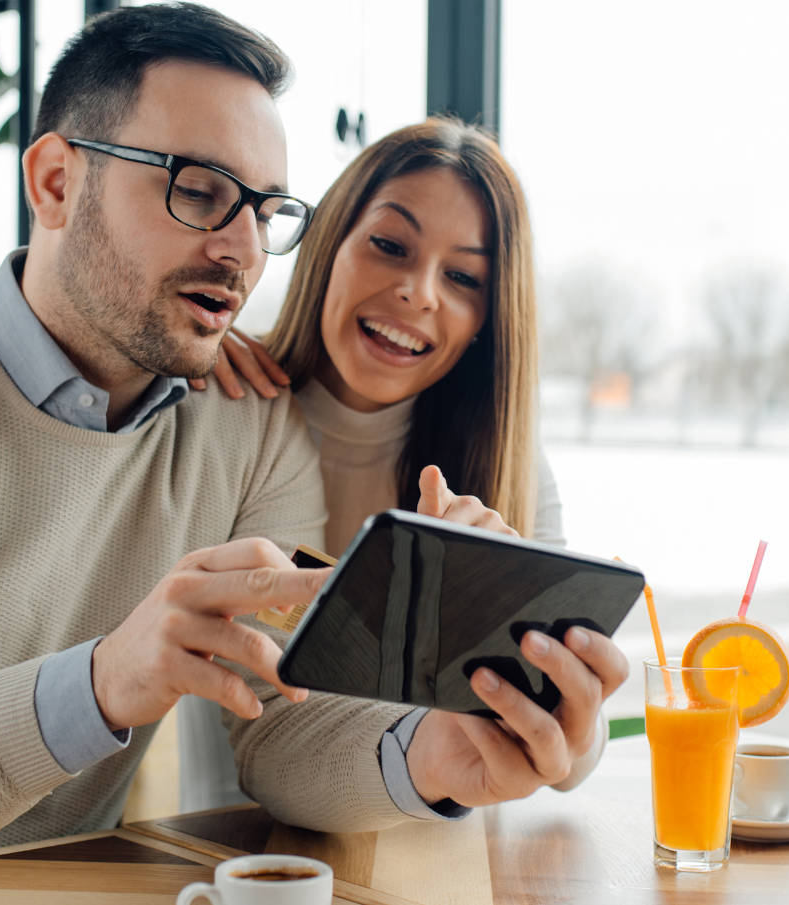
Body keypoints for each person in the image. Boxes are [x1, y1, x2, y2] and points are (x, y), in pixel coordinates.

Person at [0, 6, 627, 902]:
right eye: (196, 189)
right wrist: (100, 682)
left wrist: (433, 754)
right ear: (54, 180)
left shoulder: (249, 427)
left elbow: (278, 730)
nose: (239, 248)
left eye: (264, 211)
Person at [178, 120, 611, 811]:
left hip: (445, 859)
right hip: (238, 853)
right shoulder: (225, 413)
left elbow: (573, 759)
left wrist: (571, 717)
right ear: (328, 245)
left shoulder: (507, 463)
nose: (419, 293)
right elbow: (272, 722)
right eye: (389, 245)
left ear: (485, 321)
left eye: (464, 276)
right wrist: (189, 351)